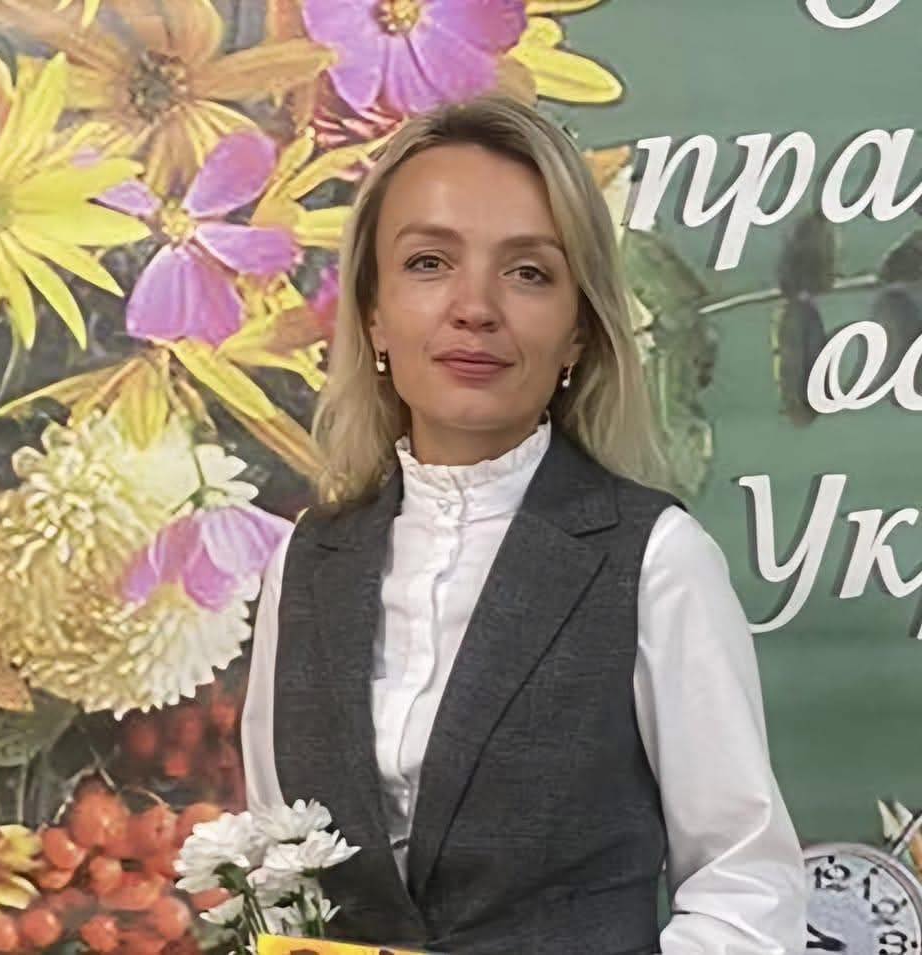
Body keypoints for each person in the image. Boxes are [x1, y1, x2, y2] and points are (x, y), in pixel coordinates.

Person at [241, 94, 807, 954]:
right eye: (429, 262)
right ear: (372, 312)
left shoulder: (654, 559)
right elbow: (278, 876)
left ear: (579, 330)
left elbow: (747, 890)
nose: (475, 306)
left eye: (529, 272)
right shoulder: (308, 561)